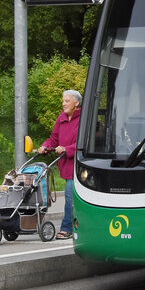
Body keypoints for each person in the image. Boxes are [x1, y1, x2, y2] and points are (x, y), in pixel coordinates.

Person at [40, 89, 81, 239]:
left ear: (76, 103)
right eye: (63, 101)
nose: (63, 104)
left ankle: (67, 228)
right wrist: (45, 146)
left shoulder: (83, 118)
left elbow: (84, 143)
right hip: (65, 165)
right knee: (72, 198)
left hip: (79, 166)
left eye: (67, 101)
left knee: (70, 197)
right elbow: (53, 138)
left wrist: (66, 149)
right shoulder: (61, 118)